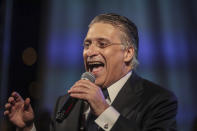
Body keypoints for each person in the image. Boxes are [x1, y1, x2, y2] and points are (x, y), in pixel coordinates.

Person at [4, 13, 178, 131]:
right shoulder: (66, 103)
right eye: (87, 45)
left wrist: (103, 110)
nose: (90, 52)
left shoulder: (159, 101)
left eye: (102, 44)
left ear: (128, 53)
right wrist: (28, 128)